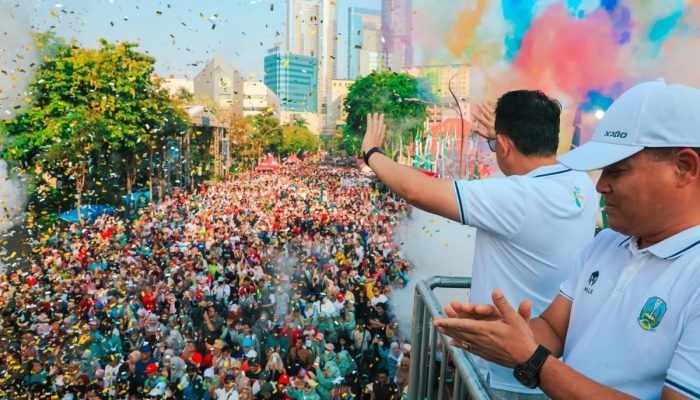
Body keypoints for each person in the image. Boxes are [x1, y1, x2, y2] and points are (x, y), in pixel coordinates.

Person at [434, 80, 700, 399]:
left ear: (684, 168)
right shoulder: (606, 245)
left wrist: (533, 360)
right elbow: (554, 329)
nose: (601, 186)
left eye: (617, 172)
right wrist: (506, 334)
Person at [361, 90, 599, 397]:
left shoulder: (517, 196)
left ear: (503, 145)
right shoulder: (582, 184)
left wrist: (371, 151)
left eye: (493, 145)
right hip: (555, 368)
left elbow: (415, 190)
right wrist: (502, 137)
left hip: (506, 376)